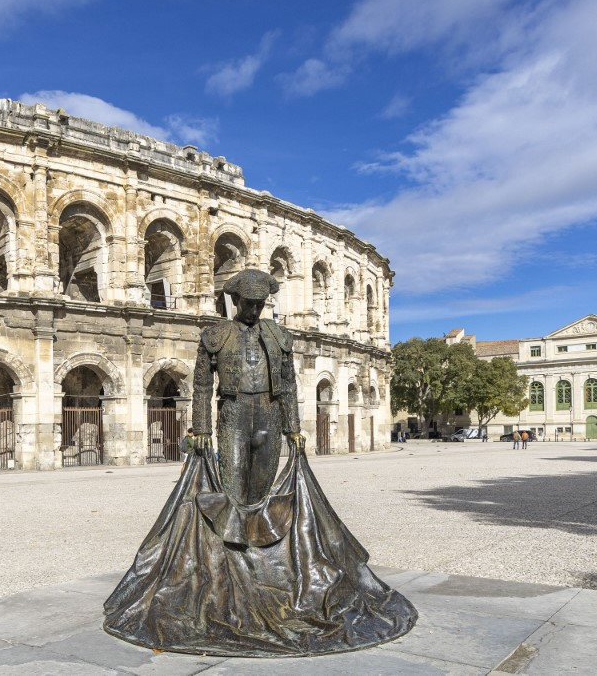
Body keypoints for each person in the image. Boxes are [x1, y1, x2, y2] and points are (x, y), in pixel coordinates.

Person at [104, 268, 417, 657]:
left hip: (267, 413)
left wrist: (292, 428)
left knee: (262, 486)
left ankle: (257, 555)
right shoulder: (216, 334)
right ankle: (234, 565)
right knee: (233, 487)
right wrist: (201, 426)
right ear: (235, 302)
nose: (254, 310)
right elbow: (202, 385)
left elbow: (287, 384)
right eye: (248, 304)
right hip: (234, 412)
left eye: (259, 304)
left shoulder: (277, 335)